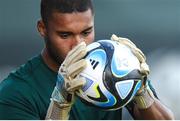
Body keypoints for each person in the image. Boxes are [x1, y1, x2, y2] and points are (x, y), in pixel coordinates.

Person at [0, 0, 174, 120]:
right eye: (65, 35)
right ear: (42, 28)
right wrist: (59, 106)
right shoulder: (15, 91)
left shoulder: (113, 65)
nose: (78, 45)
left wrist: (141, 90)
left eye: (86, 32)